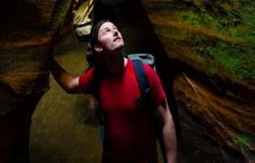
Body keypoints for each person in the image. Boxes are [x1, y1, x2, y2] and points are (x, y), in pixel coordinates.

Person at [49, 19, 177, 163]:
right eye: (107, 31)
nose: (115, 31)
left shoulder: (143, 72)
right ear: (98, 47)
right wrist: (48, 60)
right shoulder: (97, 76)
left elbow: (167, 119)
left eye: (115, 28)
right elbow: (70, 85)